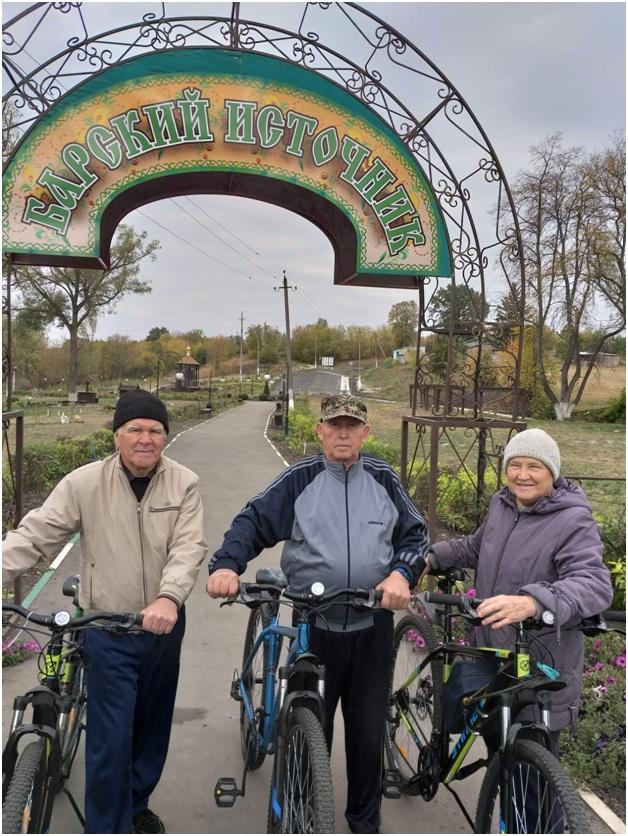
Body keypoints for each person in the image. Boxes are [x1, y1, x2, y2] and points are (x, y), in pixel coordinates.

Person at [207, 394, 429, 834]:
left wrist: (401, 574)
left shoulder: (383, 479)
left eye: (352, 426)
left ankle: (364, 824)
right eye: (335, 425)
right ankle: (303, 815)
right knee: (310, 728)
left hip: (371, 622)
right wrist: (228, 565)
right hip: (314, 621)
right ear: (320, 431)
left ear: (365, 433)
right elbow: (253, 520)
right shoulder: (301, 478)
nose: (343, 433)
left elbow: (416, 534)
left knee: (367, 735)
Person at [3, 390, 207, 834]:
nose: (146, 439)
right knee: (110, 740)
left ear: (165, 436)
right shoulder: (84, 483)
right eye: (135, 429)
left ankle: (136, 803)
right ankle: (106, 826)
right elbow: (35, 535)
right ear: (117, 436)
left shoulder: (184, 483)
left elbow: (188, 547)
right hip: (107, 627)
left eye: (155, 430)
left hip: (162, 625)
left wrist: (169, 597)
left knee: (151, 728)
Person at [429, 427, 614, 754]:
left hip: (539, 668)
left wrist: (534, 602)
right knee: (497, 759)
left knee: (531, 773)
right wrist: (431, 558)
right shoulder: (503, 505)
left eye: (534, 467)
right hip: (495, 658)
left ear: (552, 472)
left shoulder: (572, 520)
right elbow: (476, 547)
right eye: (515, 465)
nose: (522, 475)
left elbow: (593, 582)